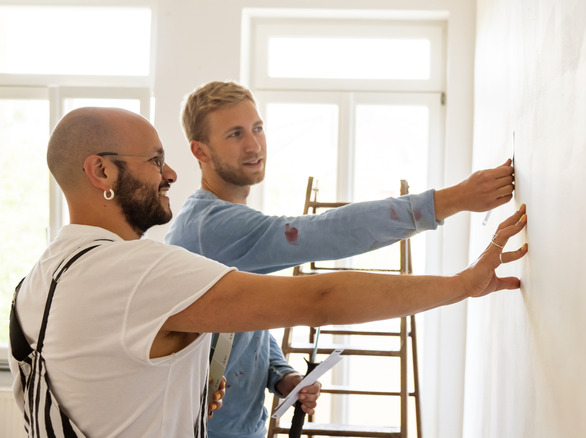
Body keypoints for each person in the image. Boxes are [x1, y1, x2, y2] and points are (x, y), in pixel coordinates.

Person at [10, 106, 527, 437]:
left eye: (257, 128)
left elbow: (104, 387)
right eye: (155, 160)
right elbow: (318, 295)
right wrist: (463, 282)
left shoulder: (34, 284)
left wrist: (198, 385)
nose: (169, 173)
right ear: (101, 170)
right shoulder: (138, 269)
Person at [165, 80, 520, 438]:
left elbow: (241, 317)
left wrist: (282, 374)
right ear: (200, 151)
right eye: (235, 134)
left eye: (257, 128)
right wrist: (451, 200)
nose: (254, 144)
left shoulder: (219, 223)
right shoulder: (210, 227)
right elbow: (324, 233)